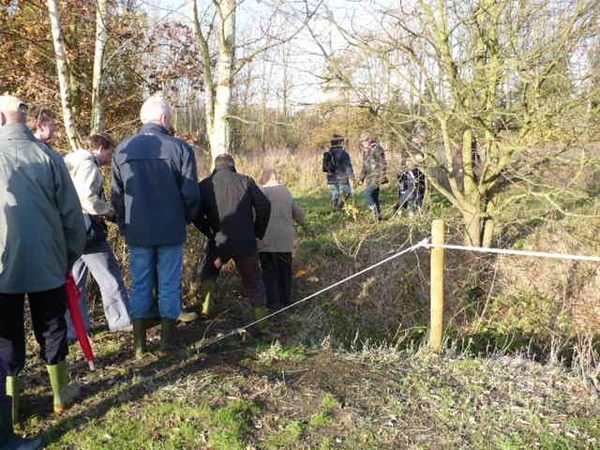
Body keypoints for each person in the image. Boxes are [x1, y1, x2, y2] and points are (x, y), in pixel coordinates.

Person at [0, 95, 86, 420]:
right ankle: (60, 394)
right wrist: (67, 257)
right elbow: (72, 217)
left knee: (5, 333)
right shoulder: (49, 156)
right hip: (48, 260)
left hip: (2, 266)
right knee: (51, 326)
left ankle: (10, 407)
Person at [112, 95, 201, 357]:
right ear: (163, 119)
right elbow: (192, 195)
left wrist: (124, 224)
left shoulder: (122, 149)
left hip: (138, 229)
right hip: (171, 229)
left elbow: (117, 196)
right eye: (170, 118)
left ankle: (139, 346)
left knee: (140, 284)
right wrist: (182, 219)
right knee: (169, 284)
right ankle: (165, 343)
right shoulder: (180, 148)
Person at [193, 154, 272, 333]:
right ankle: (264, 328)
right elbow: (264, 206)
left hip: (219, 239)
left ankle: (206, 310)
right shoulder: (246, 181)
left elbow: (195, 214)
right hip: (245, 240)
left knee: (210, 272)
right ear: (233, 165)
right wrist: (257, 231)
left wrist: (209, 231)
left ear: (215, 167)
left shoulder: (204, 185)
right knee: (254, 282)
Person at [63, 134, 132, 341]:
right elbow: (88, 198)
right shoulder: (88, 165)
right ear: (101, 148)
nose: (109, 158)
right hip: (88, 231)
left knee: (75, 282)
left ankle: (77, 328)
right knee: (109, 276)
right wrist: (108, 211)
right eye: (109, 152)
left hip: (69, 229)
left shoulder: (68, 161)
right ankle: (121, 320)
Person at [257, 168, 306, 311]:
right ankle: (286, 301)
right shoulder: (286, 192)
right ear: (275, 177)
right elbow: (299, 214)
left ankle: (273, 304)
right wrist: (303, 224)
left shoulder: (261, 192)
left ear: (264, 179)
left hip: (266, 240)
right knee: (284, 271)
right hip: (285, 239)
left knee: (269, 272)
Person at [357, 133, 387, 221]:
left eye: (365, 140)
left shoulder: (377, 149)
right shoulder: (366, 151)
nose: (364, 143)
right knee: (374, 197)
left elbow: (383, 163)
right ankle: (379, 217)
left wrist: (381, 177)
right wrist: (361, 179)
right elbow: (365, 166)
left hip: (376, 177)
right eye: (362, 141)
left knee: (367, 194)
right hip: (369, 178)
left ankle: (374, 215)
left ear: (370, 139)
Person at [324, 134, 354, 211]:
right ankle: (339, 207)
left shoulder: (328, 153)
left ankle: (334, 208)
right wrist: (352, 176)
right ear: (340, 142)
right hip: (342, 176)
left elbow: (325, 167)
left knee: (335, 192)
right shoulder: (343, 153)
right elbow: (348, 166)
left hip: (331, 176)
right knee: (347, 192)